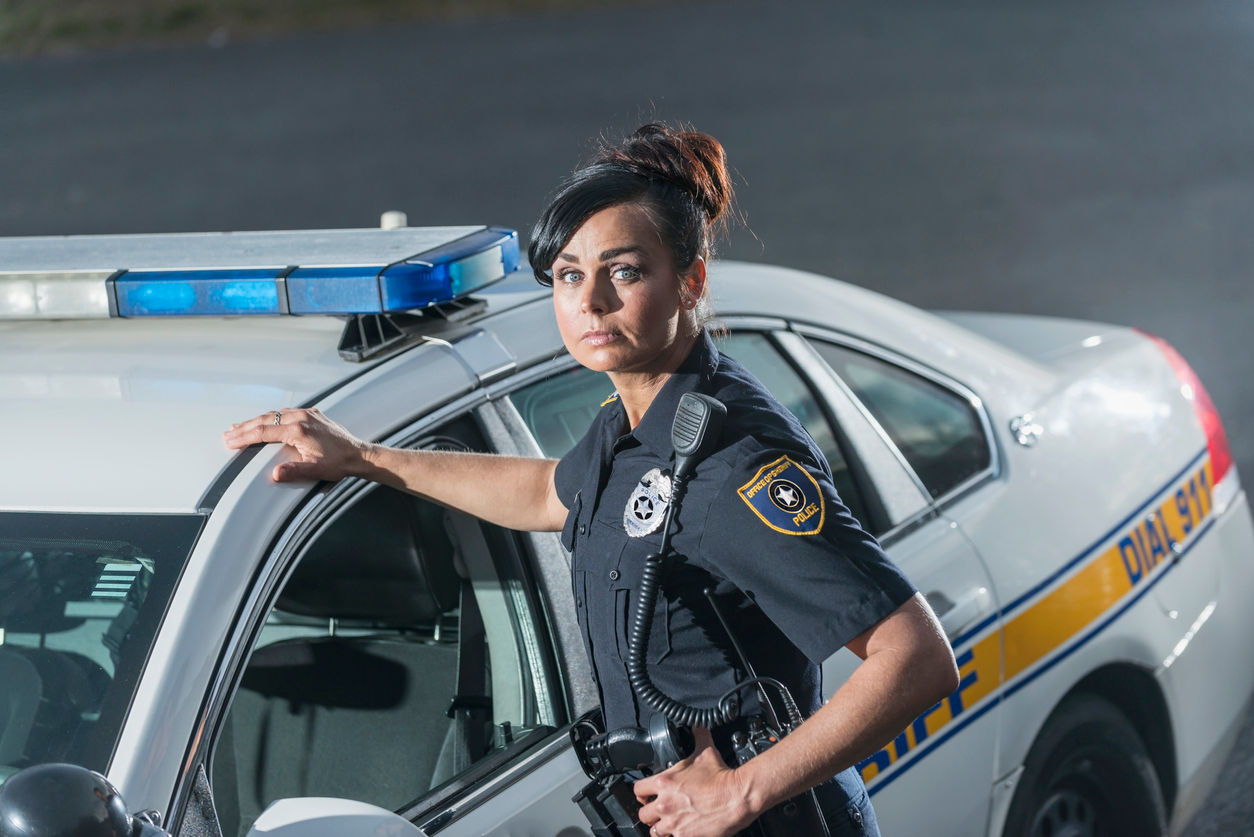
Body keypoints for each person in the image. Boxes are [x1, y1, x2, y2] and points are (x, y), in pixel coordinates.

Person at [223, 123, 958, 837]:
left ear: (691, 281)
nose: (591, 301)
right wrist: (365, 458)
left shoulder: (734, 464)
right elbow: (549, 493)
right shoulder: (634, 421)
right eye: (570, 275)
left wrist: (742, 790)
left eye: (625, 271)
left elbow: (917, 656)